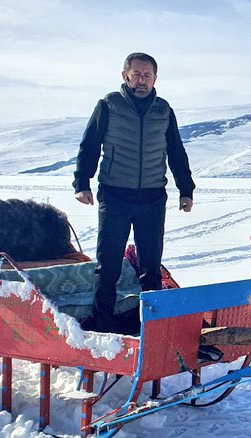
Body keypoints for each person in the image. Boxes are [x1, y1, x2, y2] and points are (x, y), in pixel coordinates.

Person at [73, 52, 194, 332]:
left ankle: (149, 324)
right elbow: (89, 145)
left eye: (147, 75)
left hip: (152, 197)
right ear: (125, 75)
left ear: (155, 78)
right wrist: (82, 183)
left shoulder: (163, 111)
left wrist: (185, 189)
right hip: (114, 195)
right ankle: (102, 323)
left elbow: (176, 153)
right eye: (137, 74)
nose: (142, 80)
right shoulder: (109, 106)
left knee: (151, 266)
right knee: (109, 264)